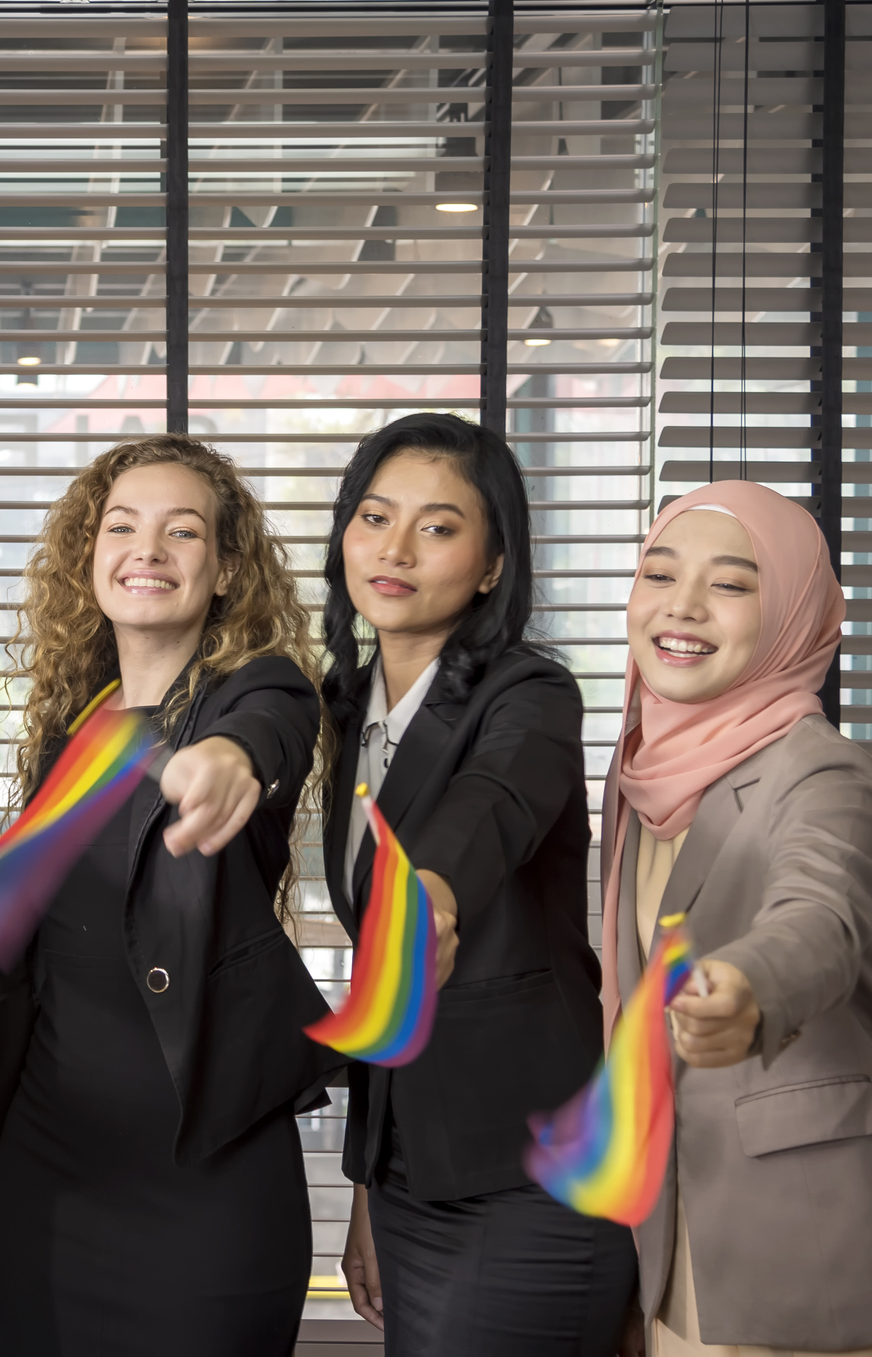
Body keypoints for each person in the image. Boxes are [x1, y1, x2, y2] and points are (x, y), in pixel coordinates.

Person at [0, 434, 339, 1357]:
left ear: (227, 567)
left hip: (210, 1182)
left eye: (183, 531)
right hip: (55, 1178)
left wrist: (228, 758)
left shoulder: (263, 692)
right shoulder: (66, 742)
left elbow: (271, 725)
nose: (147, 549)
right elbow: (23, 986)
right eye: (121, 526)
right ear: (88, 558)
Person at [607, 482, 872, 1355]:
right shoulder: (642, 776)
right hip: (685, 1262)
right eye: (660, 573)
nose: (681, 606)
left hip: (826, 1273)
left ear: (796, 614)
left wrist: (747, 987)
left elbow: (821, 916)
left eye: (732, 585)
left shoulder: (823, 772)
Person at [325, 413, 635, 1355]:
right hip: (416, 1175)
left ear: (494, 564)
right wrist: (369, 1187)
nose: (395, 548)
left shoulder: (531, 694)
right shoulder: (344, 706)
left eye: (439, 526)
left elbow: (485, 809)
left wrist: (433, 901)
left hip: (529, 1171)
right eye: (375, 516)